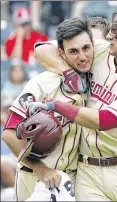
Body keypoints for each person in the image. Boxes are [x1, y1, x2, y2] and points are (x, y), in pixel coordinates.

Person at [32, 6, 117, 201]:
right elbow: (42, 48)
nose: (110, 36)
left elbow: (105, 120)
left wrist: (57, 105)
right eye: (111, 30)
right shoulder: (102, 50)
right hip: (88, 171)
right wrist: (68, 72)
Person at [2, 19, 92, 201]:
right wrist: (41, 168)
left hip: (72, 177)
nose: (82, 56)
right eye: (73, 51)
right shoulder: (43, 83)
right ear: (62, 53)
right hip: (34, 176)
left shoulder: (94, 82)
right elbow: (9, 134)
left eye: (86, 48)